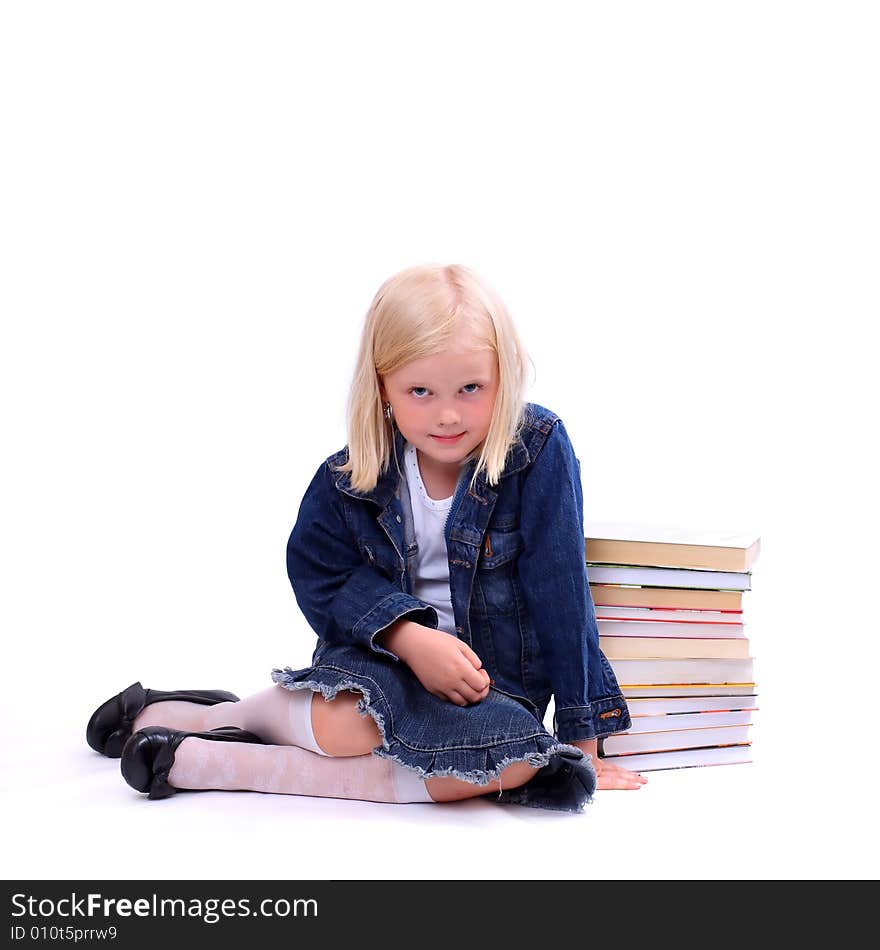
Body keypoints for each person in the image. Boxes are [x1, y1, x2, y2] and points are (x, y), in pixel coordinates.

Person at [86, 263, 646, 812]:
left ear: (504, 376)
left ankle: (209, 763)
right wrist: (407, 637)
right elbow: (318, 571)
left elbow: (562, 592)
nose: (448, 414)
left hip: (487, 690)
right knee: (350, 720)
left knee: (522, 761)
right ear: (384, 387)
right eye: (420, 391)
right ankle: (212, 720)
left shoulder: (536, 451)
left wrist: (584, 740)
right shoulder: (352, 477)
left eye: (471, 387)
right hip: (380, 666)